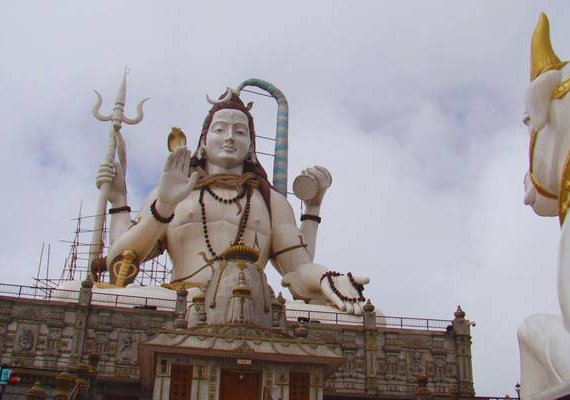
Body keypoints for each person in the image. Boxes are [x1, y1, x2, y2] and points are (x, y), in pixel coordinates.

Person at [100, 89, 369, 315]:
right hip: (179, 300)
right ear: (203, 142)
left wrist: (326, 278)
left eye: (240, 132)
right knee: (87, 294)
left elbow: (298, 269)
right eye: (220, 129)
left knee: (354, 315)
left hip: (251, 311)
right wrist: (154, 205)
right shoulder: (173, 191)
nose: (229, 137)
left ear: (251, 146)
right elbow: (120, 261)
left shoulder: (270, 200)